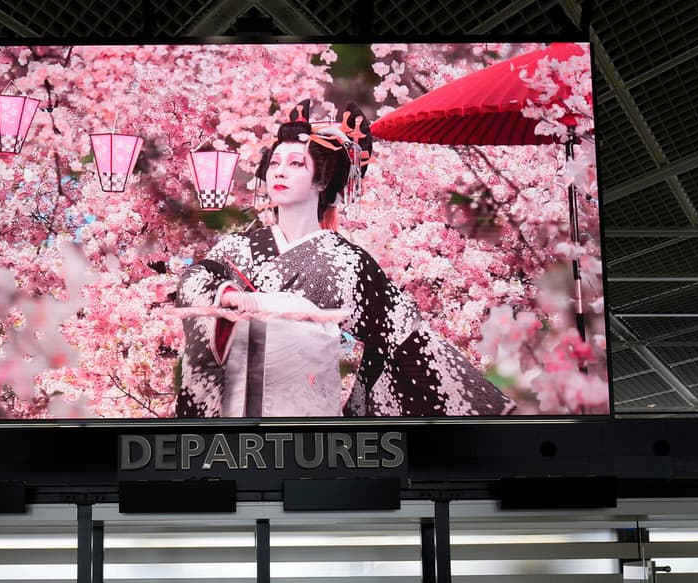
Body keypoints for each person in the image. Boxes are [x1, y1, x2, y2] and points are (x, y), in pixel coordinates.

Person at [176, 100, 513, 418]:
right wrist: (233, 297)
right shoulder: (237, 247)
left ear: (322, 180)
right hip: (236, 408)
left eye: (296, 164)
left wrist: (484, 405)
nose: (280, 173)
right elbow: (192, 282)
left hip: (307, 410)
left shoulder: (348, 262)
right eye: (275, 164)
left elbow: (404, 337)